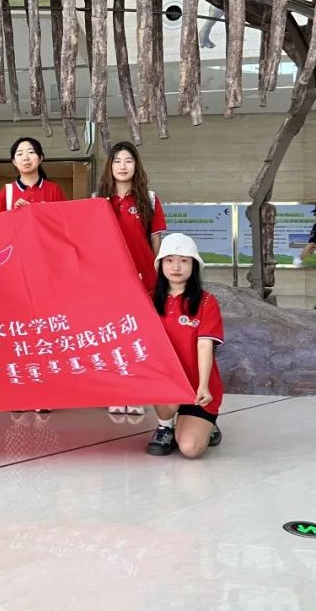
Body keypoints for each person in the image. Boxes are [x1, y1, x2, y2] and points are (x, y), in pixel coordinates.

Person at [96, 140, 166, 416]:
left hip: (144, 279)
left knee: (139, 337)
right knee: (114, 337)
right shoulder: (98, 200)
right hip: (110, 280)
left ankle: (137, 393)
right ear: (109, 166)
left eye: (128, 160)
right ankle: (117, 392)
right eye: (117, 161)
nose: (122, 166)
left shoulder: (149, 198)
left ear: (136, 165)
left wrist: (160, 275)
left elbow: (156, 240)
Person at [144, 233, 225, 458]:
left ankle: (206, 425)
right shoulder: (149, 300)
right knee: (166, 391)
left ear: (194, 265)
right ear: (161, 264)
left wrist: (203, 386)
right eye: (169, 260)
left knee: (190, 449)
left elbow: (205, 346)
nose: (176, 267)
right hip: (168, 383)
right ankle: (165, 427)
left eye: (184, 260)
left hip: (198, 389)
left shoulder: (206, 302)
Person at [0, 136, 66, 213]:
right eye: (20, 154)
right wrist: (15, 212)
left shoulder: (54, 189)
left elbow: (63, 218)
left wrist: (46, 211)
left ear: (40, 158)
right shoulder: (6, 192)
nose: (25, 158)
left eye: (31, 152)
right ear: (14, 162)